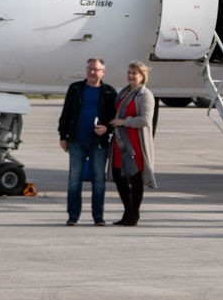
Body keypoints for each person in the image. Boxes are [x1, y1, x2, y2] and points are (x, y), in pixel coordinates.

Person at [57, 58, 118, 226]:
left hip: (98, 143)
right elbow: (66, 113)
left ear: (103, 72)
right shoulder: (76, 88)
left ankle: (98, 216)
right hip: (77, 141)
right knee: (74, 179)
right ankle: (73, 216)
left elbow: (114, 117)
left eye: (96, 69)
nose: (92, 72)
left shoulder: (109, 92)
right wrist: (63, 136)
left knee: (98, 180)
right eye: (90, 69)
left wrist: (107, 128)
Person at [107, 61, 157, 226]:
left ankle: (134, 214)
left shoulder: (145, 95)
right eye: (129, 72)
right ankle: (128, 211)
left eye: (134, 73)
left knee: (135, 179)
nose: (130, 76)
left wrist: (123, 122)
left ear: (142, 76)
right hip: (120, 142)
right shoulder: (123, 93)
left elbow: (145, 120)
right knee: (118, 177)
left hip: (135, 142)